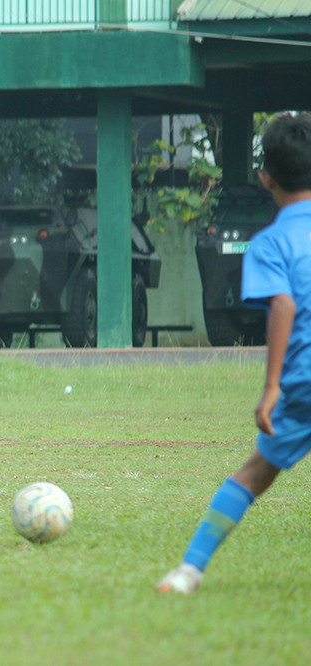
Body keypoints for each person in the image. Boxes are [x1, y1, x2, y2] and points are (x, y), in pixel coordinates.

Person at [157, 112, 311, 594]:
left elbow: (283, 304)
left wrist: (271, 387)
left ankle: (189, 571)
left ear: (266, 179)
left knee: (254, 474)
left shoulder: (270, 244)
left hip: (303, 383)